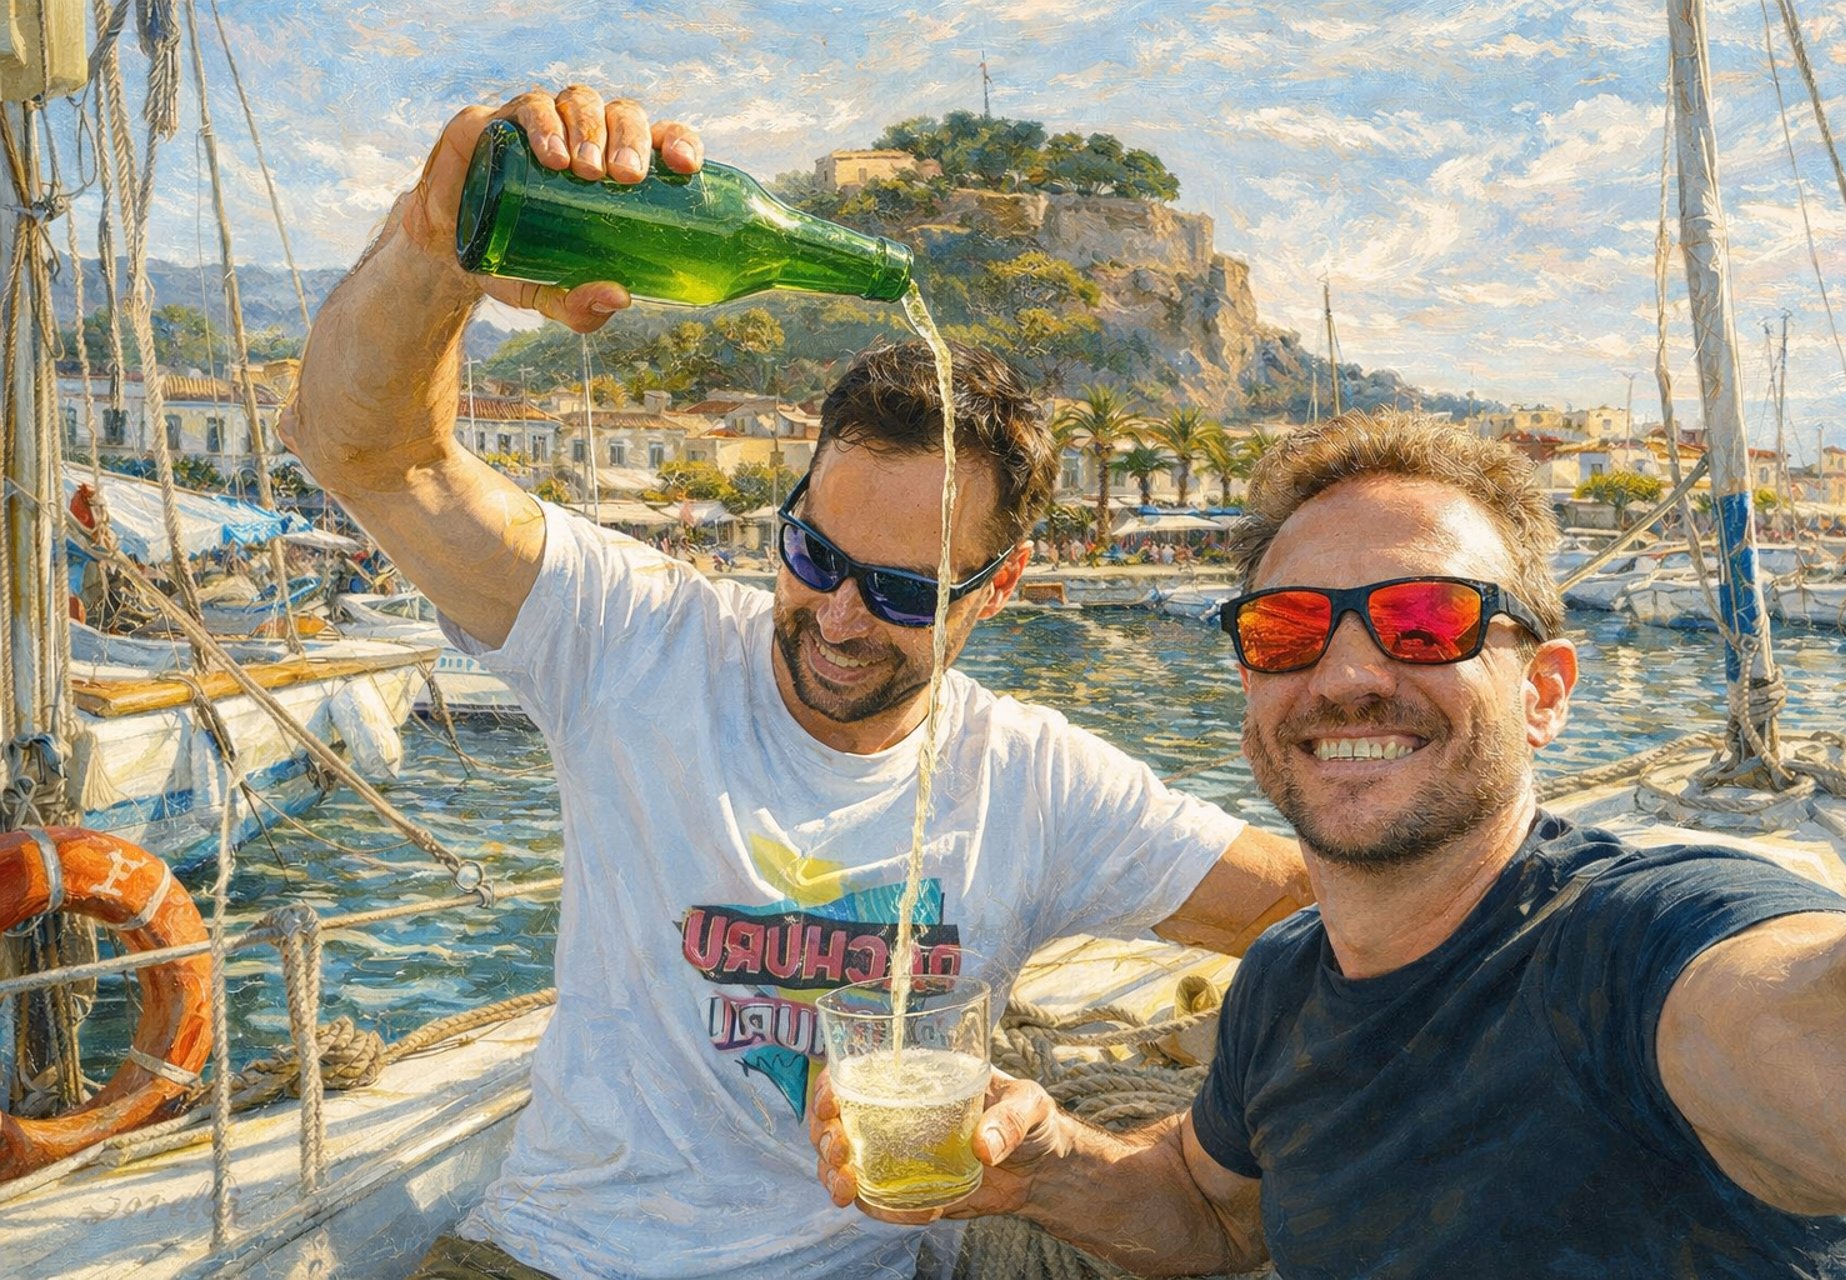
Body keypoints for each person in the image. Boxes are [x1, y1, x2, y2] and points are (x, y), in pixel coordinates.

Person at [283, 86, 1312, 1280]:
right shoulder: (636, 636)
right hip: (554, 1257)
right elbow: (365, 446)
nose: (835, 613)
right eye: (813, 553)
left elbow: (1313, 912)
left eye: (902, 589)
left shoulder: (1031, 777)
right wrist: (442, 234)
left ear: (1000, 584)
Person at [814, 411, 1846, 1277]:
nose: (1345, 676)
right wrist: (1043, 1161)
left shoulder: (1636, 947)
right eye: (1290, 628)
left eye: (1426, 620)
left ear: (1544, 691)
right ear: (1251, 683)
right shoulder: (1288, 978)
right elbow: (1208, 1209)